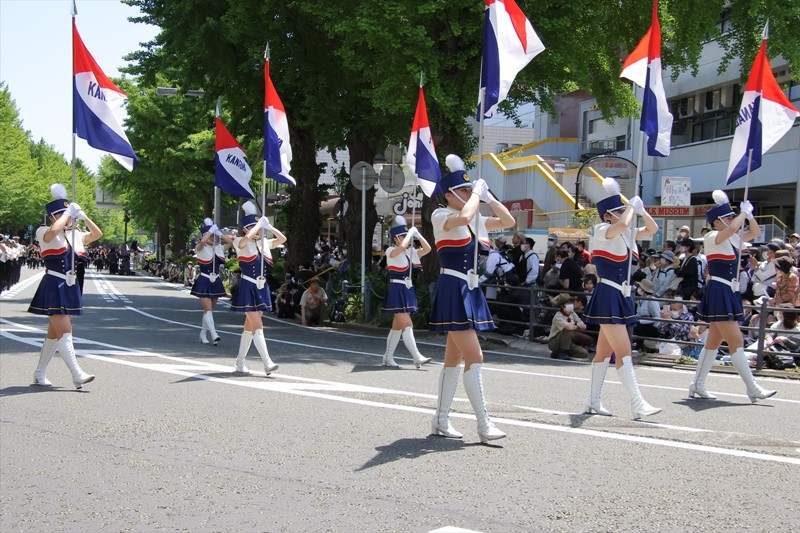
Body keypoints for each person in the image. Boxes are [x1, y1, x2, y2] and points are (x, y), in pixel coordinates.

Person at [428, 154, 515, 443]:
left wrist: (489, 197)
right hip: (453, 286)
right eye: (463, 190)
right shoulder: (441, 215)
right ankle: (483, 423)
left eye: (469, 189)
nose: (468, 193)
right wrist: (476, 195)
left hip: (470, 288)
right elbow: (464, 217)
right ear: (449, 195)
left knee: (453, 359)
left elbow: (509, 221)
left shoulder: (476, 219)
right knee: (475, 356)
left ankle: (440, 419)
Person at [582, 178, 661, 419]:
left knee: (603, 353)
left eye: (622, 210)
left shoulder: (627, 233)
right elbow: (622, 223)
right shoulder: (602, 230)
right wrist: (629, 209)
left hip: (621, 294)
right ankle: (637, 403)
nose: (622, 214)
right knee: (624, 351)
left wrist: (642, 211)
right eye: (617, 210)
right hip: (608, 293)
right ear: (607, 215)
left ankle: (593, 400)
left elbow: (653, 229)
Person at [689, 190, 776, 402]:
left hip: (728, 290)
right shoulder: (712, 236)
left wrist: (750, 216)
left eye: (731, 217)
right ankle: (752, 387)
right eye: (727, 217)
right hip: (719, 289)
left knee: (713, 341)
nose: (730, 220)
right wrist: (741, 215)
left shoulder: (732, 238)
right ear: (717, 221)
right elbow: (732, 229)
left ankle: (697, 384)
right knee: (736, 340)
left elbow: (754, 232)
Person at [29, 183, 102, 389]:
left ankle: (39, 373)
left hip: (71, 285)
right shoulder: (43, 231)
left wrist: (84, 217)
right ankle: (77, 374)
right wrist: (66, 213)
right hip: (55, 283)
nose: (67, 218)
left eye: (68, 214)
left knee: (54, 332)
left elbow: (97, 234)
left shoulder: (75, 235)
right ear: (53, 217)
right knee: (65, 331)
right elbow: (52, 232)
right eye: (61, 215)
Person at [230, 201, 287, 375]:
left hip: (261, 286)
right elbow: (244, 241)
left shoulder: (263, 243)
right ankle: (267, 362)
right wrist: (257, 227)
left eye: (259, 228)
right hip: (248, 285)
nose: (259, 231)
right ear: (245, 229)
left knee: (249, 327)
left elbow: (282, 239)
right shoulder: (239, 241)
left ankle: (240, 362)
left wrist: (269, 226)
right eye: (253, 227)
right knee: (258, 325)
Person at [380, 216, 433, 368]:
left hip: (407, 289)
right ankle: (416, 356)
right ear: (395, 238)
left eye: (405, 236)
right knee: (407, 324)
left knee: (397, 326)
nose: (405, 239)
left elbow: (428, 249)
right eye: (402, 236)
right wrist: (410, 234)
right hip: (396, 289)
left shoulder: (411, 252)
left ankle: (388, 357)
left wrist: (418, 235)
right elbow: (401, 248)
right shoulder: (391, 250)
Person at [191, 218, 231, 345]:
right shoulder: (200, 247)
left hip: (215, 280)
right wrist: (209, 231)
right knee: (208, 309)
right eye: (211, 235)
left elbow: (230, 242)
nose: (212, 237)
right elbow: (202, 241)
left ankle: (203, 334)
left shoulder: (218, 248)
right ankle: (214, 334)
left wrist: (219, 233)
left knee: (209, 310)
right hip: (204, 279)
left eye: (214, 235)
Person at [547, 293, 590, 360]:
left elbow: (583, 326)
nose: (570, 304)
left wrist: (576, 324)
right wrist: (577, 325)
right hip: (554, 342)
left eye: (571, 302)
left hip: (567, 342)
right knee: (568, 331)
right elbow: (569, 327)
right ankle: (562, 353)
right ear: (562, 306)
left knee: (584, 353)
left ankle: (558, 353)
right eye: (568, 303)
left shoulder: (572, 313)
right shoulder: (558, 316)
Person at [632, 279, 661, 350]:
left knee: (638, 327)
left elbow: (657, 317)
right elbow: (639, 313)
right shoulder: (641, 299)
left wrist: (641, 321)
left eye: (640, 287)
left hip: (651, 327)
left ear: (643, 290)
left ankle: (641, 348)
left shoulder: (652, 301)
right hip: (641, 324)